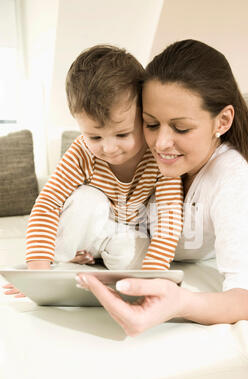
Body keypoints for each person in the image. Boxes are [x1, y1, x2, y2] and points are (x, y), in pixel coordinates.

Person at [75, 39, 248, 336]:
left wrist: (181, 302)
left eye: (181, 128)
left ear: (222, 121)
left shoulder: (231, 177)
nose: (160, 144)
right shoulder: (137, 147)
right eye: (151, 124)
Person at [24, 44, 184, 272]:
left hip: (124, 234)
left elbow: (169, 215)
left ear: (143, 117)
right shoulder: (82, 153)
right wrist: (37, 269)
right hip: (86, 229)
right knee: (87, 199)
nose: (108, 148)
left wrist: (154, 271)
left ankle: (98, 257)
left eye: (122, 134)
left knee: (135, 252)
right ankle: (64, 257)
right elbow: (48, 204)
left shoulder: (158, 153)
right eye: (95, 136)